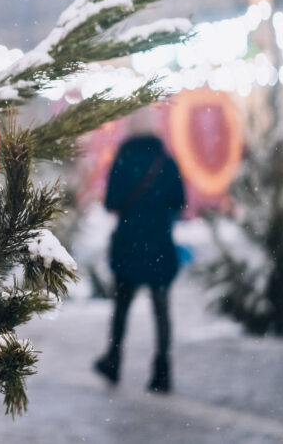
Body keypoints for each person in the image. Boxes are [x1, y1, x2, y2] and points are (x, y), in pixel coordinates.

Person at [94, 134, 185, 393]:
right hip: (158, 243)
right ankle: (162, 371)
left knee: (122, 307)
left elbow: (111, 203)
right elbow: (179, 202)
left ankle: (114, 361)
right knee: (161, 308)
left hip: (129, 243)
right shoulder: (165, 161)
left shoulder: (122, 160)